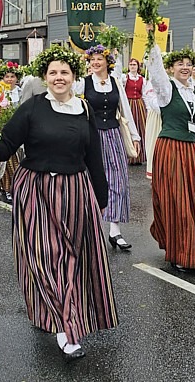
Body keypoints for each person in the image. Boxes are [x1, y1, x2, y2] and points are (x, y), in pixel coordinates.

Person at [0, 45, 117, 360]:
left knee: (71, 261)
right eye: (53, 73)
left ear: (74, 76)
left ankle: (58, 315)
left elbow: (94, 157)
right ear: (44, 77)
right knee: (47, 257)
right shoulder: (33, 107)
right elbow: (6, 144)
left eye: (65, 72)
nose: (59, 78)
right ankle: (66, 329)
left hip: (75, 192)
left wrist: (101, 197)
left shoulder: (84, 109)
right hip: (36, 191)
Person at [145, 36, 195, 271]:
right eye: (180, 63)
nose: (185, 67)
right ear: (171, 68)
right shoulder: (167, 91)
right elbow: (156, 69)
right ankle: (181, 252)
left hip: (191, 151)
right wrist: (151, 39)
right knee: (177, 202)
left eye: (189, 63)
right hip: (170, 149)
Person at [80, 45, 140, 251]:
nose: (95, 63)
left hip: (113, 134)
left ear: (108, 62)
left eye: (99, 59)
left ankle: (115, 230)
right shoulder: (84, 83)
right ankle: (90, 227)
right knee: (91, 179)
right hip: (91, 137)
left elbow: (125, 110)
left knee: (118, 180)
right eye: (92, 59)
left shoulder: (115, 83)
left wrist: (134, 136)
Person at [0, 62, 22, 203]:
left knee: (18, 162)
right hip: (3, 130)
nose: (10, 79)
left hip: (18, 131)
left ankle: (14, 187)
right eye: (7, 76)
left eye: (13, 76)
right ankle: (7, 188)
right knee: (7, 163)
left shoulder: (20, 92)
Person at [122, 58, 148, 165]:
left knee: (141, 128)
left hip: (139, 104)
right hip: (129, 104)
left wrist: (147, 108)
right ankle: (129, 156)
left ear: (138, 66)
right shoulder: (125, 78)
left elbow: (144, 94)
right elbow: (122, 92)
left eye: (135, 65)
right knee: (128, 129)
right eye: (131, 64)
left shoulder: (142, 79)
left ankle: (139, 156)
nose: (133, 66)